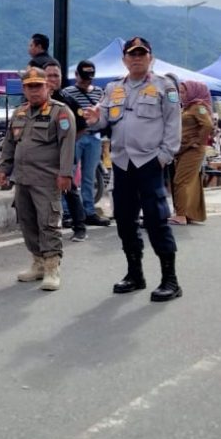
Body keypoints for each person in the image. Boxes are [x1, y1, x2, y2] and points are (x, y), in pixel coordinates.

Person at [83, 36, 183, 302]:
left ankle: (170, 280)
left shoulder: (165, 86)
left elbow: (173, 124)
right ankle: (135, 274)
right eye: (132, 54)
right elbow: (104, 119)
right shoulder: (113, 88)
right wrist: (95, 119)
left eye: (142, 53)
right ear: (124, 59)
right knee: (125, 220)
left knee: (156, 220)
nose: (137, 58)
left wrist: (164, 156)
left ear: (151, 57)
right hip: (122, 163)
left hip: (150, 161)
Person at [0, 67, 75, 291]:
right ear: (24, 89)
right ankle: (38, 263)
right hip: (23, 179)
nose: (34, 91)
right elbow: (10, 143)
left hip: (47, 179)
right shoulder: (19, 113)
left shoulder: (60, 112)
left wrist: (65, 173)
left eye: (38, 86)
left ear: (48, 86)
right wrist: (4, 169)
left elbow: (67, 145)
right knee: (27, 221)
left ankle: (52, 268)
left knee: (48, 223)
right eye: (29, 87)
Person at [61, 60, 110, 228]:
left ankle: (89, 211)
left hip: (93, 137)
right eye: (83, 77)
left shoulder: (99, 92)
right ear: (76, 75)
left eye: (89, 77)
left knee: (89, 176)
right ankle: (67, 212)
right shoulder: (67, 92)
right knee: (69, 174)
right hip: (75, 137)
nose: (86, 81)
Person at [43, 60, 88, 241]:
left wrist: (68, 143)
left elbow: (82, 127)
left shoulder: (69, 101)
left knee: (69, 189)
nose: (52, 79)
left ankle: (80, 227)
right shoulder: (35, 101)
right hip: (41, 155)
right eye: (49, 75)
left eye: (56, 75)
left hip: (63, 154)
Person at [169, 81, 214, 224]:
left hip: (192, 150)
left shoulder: (198, 107)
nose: (181, 95)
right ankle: (190, 213)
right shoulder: (188, 107)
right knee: (190, 182)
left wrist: (198, 141)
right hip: (184, 148)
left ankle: (181, 215)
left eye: (184, 92)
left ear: (193, 92)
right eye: (180, 92)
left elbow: (208, 125)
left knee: (180, 180)